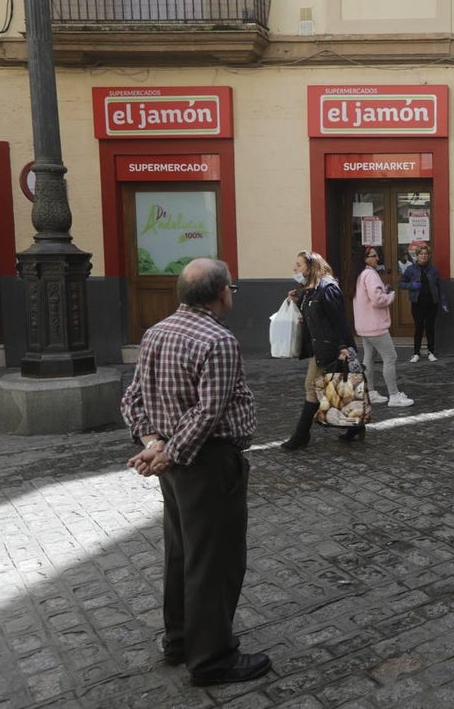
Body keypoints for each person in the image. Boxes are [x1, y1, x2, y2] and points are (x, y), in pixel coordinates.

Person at [120, 258, 271, 687]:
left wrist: (154, 442)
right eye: (231, 288)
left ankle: (181, 639)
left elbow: (132, 398)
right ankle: (211, 659)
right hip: (207, 462)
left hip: (175, 461)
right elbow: (208, 412)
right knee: (214, 560)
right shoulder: (218, 340)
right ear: (222, 293)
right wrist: (167, 452)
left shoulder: (156, 332)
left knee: (182, 552)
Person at [281, 250, 362, 448]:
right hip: (319, 346)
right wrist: (298, 298)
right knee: (339, 387)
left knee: (315, 386)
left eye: (299, 265)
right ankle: (356, 426)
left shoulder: (328, 288)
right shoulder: (310, 290)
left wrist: (343, 346)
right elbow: (313, 314)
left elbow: (339, 320)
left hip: (331, 346)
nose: (295, 268)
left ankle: (301, 435)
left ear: (310, 267)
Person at [353, 245, 414, 407]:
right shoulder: (370, 274)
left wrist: (383, 291)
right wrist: (390, 295)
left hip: (364, 326)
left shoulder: (359, 274)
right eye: (373, 256)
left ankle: (370, 392)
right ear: (365, 259)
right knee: (390, 357)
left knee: (369, 358)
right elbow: (377, 299)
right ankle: (394, 395)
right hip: (376, 326)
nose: (377, 258)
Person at [399, 243, 449, 362]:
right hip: (417, 303)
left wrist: (443, 302)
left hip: (432, 303)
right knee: (419, 327)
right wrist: (411, 285)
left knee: (430, 327)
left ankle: (431, 352)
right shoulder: (411, 269)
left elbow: (439, 287)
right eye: (421, 254)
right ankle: (416, 353)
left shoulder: (433, 269)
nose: (424, 256)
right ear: (417, 256)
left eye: (426, 254)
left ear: (428, 255)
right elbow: (401, 283)